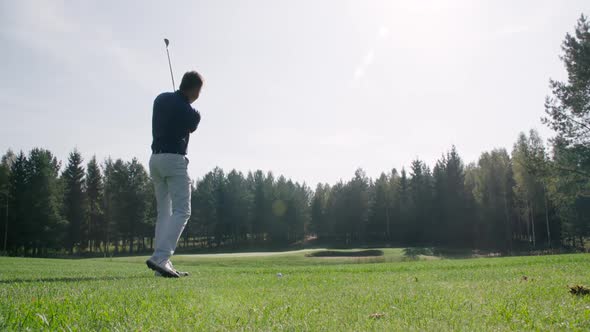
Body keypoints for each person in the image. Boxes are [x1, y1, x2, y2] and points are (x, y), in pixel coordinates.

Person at [145, 71, 203, 278]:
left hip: (155, 160)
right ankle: (161, 257)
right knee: (182, 211)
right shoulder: (192, 112)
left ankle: (162, 263)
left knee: (164, 212)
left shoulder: (160, 99)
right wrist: (186, 107)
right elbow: (192, 124)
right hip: (174, 160)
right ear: (196, 90)